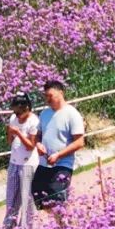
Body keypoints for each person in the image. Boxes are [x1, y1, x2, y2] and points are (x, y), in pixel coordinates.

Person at [32, 80, 86, 210]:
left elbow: (79, 142)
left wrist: (59, 155)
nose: (47, 99)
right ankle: (57, 224)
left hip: (62, 164)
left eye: (50, 95)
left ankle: (65, 226)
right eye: (45, 96)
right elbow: (37, 135)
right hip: (44, 163)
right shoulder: (45, 113)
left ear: (60, 93)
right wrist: (38, 144)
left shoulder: (72, 114)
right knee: (38, 194)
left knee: (57, 199)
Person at [1, 93, 40, 229]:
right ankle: (8, 226)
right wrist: (10, 133)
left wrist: (18, 132)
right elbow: (10, 142)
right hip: (14, 161)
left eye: (19, 112)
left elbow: (31, 146)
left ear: (27, 108)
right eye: (14, 111)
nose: (16, 115)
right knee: (12, 196)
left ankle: (28, 228)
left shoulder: (34, 122)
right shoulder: (13, 118)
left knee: (27, 197)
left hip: (28, 163)